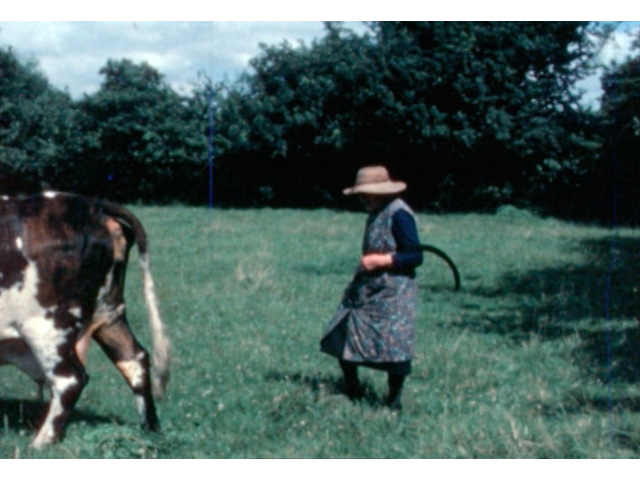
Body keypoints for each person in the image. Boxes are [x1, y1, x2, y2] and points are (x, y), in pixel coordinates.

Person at [321, 165, 423, 412]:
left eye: (368, 193)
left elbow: (415, 256)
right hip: (368, 289)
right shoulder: (376, 211)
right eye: (361, 194)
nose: (363, 198)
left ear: (382, 191)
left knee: (394, 349)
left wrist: (382, 260)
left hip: (393, 294)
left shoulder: (399, 214)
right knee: (340, 334)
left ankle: (393, 402)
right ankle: (353, 390)